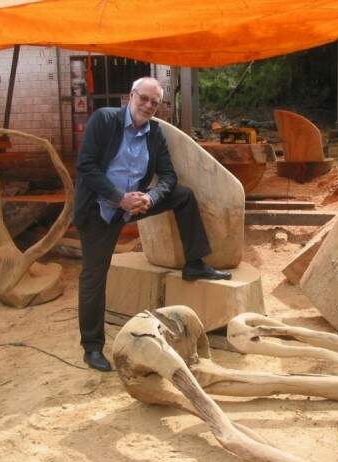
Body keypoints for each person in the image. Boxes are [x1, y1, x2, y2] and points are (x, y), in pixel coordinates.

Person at [74, 77, 231, 372]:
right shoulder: (104, 121)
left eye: (154, 103)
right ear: (130, 96)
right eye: (143, 99)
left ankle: (194, 262)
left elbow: (168, 177)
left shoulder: (154, 133)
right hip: (100, 209)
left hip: (135, 204)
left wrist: (150, 197)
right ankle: (92, 348)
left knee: (182, 196)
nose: (148, 106)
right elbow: (86, 167)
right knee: (93, 277)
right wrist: (119, 198)